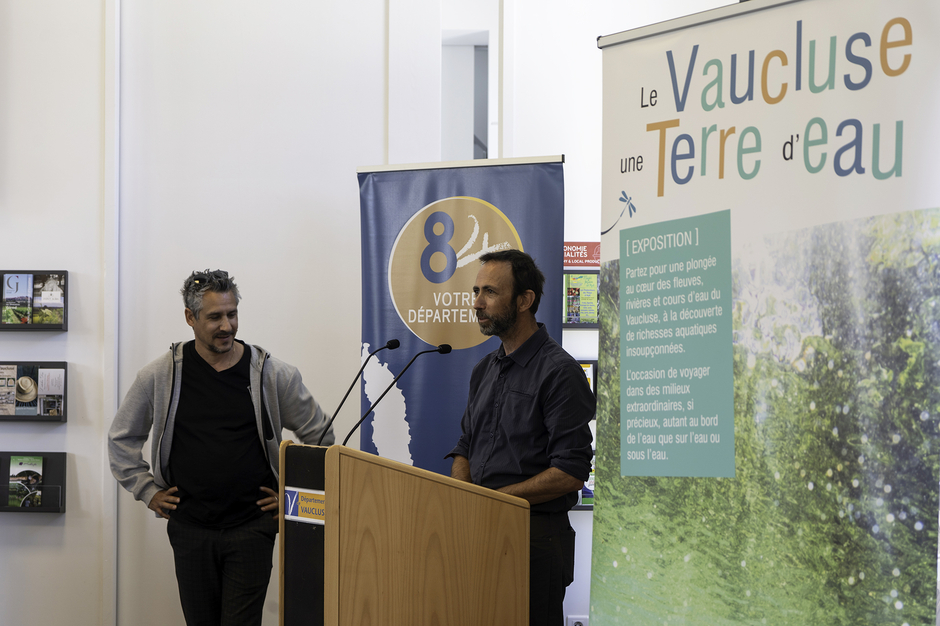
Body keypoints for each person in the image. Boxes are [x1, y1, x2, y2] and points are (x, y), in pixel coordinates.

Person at [108, 269, 333, 626]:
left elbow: (321, 437)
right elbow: (121, 438)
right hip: (190, 528)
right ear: (190, 318)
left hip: (253, 528)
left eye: (232, 314)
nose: (227, 325)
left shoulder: (273, 374)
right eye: (214, 317)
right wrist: (147, 490)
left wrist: (295, 497)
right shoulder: (160, 376)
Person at [446, 250, 595, 626]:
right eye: (476, 291)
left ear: (524, 301)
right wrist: (466, 500)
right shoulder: (483, 370)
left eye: (490, 293)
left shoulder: (560, 373)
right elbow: (465, 445)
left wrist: (492, 501)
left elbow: (571, 471)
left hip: (535, 543)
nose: (477, 303)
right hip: (479, 533)